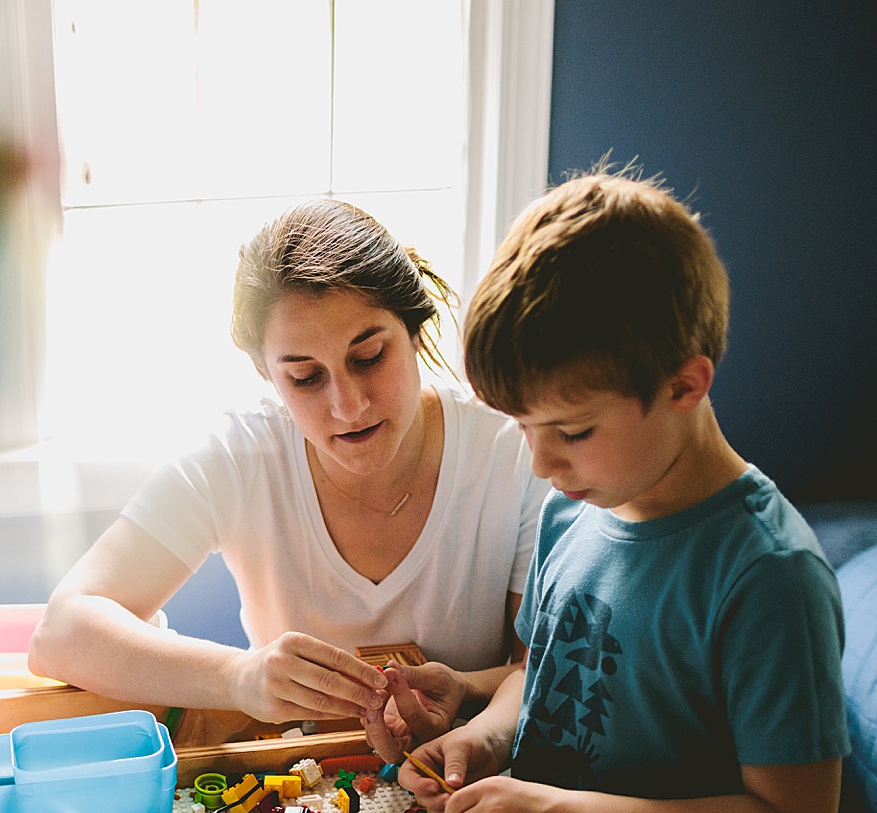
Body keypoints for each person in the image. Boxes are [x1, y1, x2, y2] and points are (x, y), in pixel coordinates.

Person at [396, 172, 848, 813]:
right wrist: (481, 740)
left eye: (572, 432)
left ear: (684, 386)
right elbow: (536, 678)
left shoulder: (768, 576)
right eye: (523, 429)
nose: (541, 463)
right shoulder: (569, 513)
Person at [28, 199, 547, 747]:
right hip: (298, 794)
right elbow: (60, 634)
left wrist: (464, 690)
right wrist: (237, 676)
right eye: (304, 377)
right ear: (266, 374)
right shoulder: (238, 454)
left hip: (465, 783)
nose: (348, 405)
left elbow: (540, 669)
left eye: (369, 356)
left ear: (415, 331)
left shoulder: (512, 450)